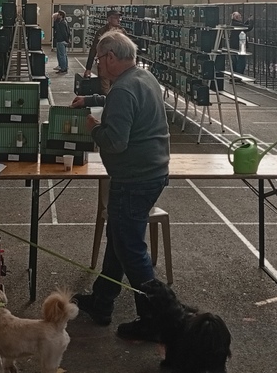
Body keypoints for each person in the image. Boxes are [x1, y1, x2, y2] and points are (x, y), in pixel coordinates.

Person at [70, 31, 170, 342]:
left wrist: (94, 128)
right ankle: (103, 300)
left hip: (133, 179)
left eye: (100, 59)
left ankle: (154, 318)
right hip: (152, 173)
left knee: (131, 249)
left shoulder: (124, 89)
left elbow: (115, 141)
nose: (99, 65)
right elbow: (121, 102)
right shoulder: (143, 78)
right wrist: (91, 100)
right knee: (119, 239)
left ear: (111, 57)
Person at [85, 10, 125, 94]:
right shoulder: (101, 32)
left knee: (118, 89)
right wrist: (88, 68)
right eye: (116, 18)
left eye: (119, 18)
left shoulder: (122, 32)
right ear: (109, 19)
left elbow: (127, 49)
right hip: (105, 65)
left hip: (118, 66)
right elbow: (94, 49)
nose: (118, 20)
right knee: (105, 90)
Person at [230, 11, 250, 76]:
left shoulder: (234, 23)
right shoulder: (237, 24)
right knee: (241, 61)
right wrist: (252, 21)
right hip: (240, 45)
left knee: (235, 61)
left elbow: (243, 26)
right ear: (236, 17)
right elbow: (247, 28)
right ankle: (238, 75)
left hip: (233, 45)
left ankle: (234, 75)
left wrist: (248, 21)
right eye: (240, 16)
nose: (241, 17)